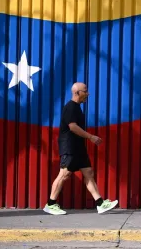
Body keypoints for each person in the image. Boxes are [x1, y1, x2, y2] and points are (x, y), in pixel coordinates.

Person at [43, 82, 118, 215]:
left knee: (88, 172)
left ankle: (100, 203)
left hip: (78, 147)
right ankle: (50, 204)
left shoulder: (77, 108)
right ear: (77, 93)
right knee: (64, 174)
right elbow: (73, 127)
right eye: (85, 91)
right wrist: (91, 137)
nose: (88, 94)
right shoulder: (70, 107)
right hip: (70, 147)